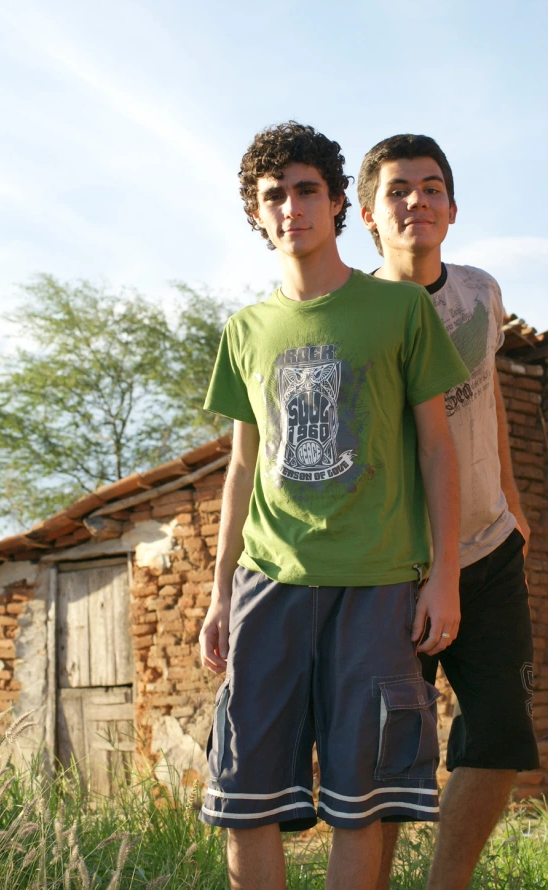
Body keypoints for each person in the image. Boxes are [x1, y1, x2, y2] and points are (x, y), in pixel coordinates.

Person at [198, 121, 469, 890]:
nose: (291, 208)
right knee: (244, 792)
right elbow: (242, 465)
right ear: (256, 214)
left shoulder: (399, 311)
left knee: (363, 799)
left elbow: (435, 451)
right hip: (267, 582)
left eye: (306, 190)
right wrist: (219, 593)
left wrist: (442, 576)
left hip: (376, 582)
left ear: (339, 201)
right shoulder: (245, 330)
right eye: (273, 196)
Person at [357, 133, 540, 890]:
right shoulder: (354, 314)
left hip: (488, 551)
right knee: (386, 755)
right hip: (394, 566)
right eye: (397, 190)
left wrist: (513, 505)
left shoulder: (481, 293)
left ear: (453, 208)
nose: (417, 201)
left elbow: (488, 401)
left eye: (431, 187)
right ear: (368, 216)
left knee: (498, 737)